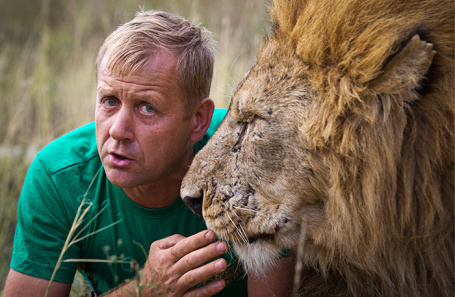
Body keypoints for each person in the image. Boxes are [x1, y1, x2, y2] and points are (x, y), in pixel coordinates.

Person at [3, 9, 294, 297]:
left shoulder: (252, 158)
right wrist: (145, 291)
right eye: (109, 101)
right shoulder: (58, 178)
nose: (117, 130)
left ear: (198, 120)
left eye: (147, 107)